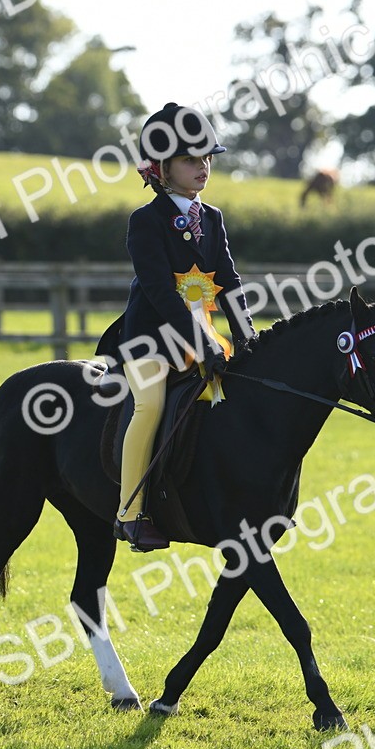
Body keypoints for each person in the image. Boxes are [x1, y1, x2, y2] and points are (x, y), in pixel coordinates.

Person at [97, 102, 255, 552]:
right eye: (190, 159)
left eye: (206, 158)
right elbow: (159, 292)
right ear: (162, 169)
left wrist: (246, 336)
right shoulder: (145, 221)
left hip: (206, 338)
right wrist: (199, 342)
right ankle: (130, 513)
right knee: (149, 406)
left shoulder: (213, 218)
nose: (203, 167)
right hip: (150, 342)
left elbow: (228, 281)